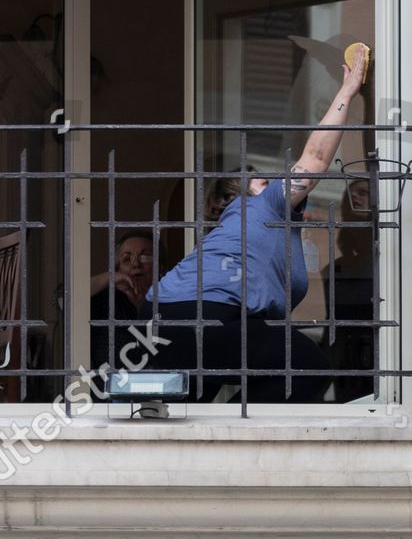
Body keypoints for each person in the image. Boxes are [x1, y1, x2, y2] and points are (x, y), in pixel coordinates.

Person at [146, 49, 370, 403]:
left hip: (168, 317)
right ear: (249, 191)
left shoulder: (242, 227)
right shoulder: (262, 204)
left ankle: (219, 442)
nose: (277, 183)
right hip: (206, 314)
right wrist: (349, 90)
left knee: (193, 408)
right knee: (307, 367)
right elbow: (314, 159)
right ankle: (237, 440)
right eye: (265, 180)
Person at [89, 229, 156, 369]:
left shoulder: (169, 302)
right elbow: (62, 297)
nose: (136, 264)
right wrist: (108, 278)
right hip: (106, 389)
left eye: (145, 257)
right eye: (126, 259)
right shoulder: (104, 301)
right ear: (118, 269)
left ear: (160, 266)